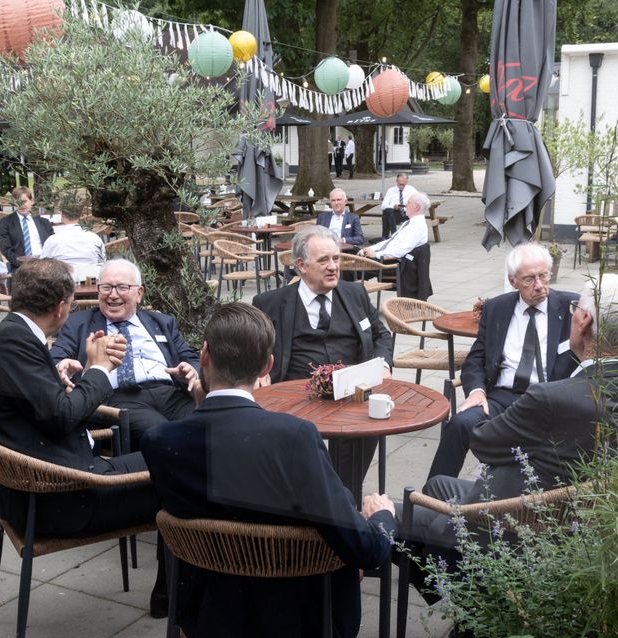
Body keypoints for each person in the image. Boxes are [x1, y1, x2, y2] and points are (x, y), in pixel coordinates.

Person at [141, 302, 397, 638]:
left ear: (204, 355)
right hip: (300, 619)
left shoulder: (159, 441)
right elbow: (367, 550)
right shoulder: (293, 436)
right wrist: (383, 516)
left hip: (208, 616)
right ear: (268, 365)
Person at [0, 258, 168, 617]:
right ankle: (172, 597)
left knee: (167, 452)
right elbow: (62, 418)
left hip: (35, 485)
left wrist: (69, 379)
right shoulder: (16, 343)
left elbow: (48, 409)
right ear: (61, 307)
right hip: (61, 498)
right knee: (175, 469)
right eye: (73, 303)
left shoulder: (8, 336)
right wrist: (100, 368)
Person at [405, 274, 618, 563]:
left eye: (575, 310)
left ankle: (444, 568)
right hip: (570, 524)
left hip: (509, 525)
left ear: (584, 321)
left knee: (382, 516)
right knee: (438, 485)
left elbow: (483, 444)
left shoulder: (551, 398)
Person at [252, 225, 393, 501]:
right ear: (301, 266)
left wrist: (384, 364)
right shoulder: (269, 303)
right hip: (295, 395)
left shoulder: (355, 294)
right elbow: (252, 343)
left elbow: (381, 335)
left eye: (336, 258)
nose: (333, 267)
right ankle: (318, 498)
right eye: (323, 260)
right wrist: (257, 370)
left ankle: (343, 496)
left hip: (352, 392)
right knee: (295, 437)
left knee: (367, 426)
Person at [426, 243, 580, 481]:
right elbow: (476, 358)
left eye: (543, 276)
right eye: (529, 279)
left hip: (550, 399)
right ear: (512, 280)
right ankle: (433, 494)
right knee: (460, 423)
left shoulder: (572, 308)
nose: (539, 285)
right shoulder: (497, 308)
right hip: (503, 397)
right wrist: (477, 391)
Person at [50, 259, 200, 450]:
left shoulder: (162, 322)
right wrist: (64, 365)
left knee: (206, 425)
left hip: (170, 395)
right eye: (106, 287)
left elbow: (191, 358)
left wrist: (191, 370)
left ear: (139, 293)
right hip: (118, 399)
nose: (113, 295)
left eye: (122, 287)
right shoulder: (78, 323)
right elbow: (56, 359)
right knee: (163, 435)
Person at [360, 191, 433, 300]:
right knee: (354, 259)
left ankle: (350, 299)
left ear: (417, 207)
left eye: (408, 203)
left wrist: (376, 254)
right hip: (388, 258)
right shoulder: (410, 223)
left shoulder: (417, 226)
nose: (405, 205)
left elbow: (400, 250)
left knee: (352, 270)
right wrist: (371, 248)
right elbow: (391, 241)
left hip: (395, 264)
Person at [0, 186, 54, 271]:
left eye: (24, 201)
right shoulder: (6, 223)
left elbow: (52, 244)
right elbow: (6, 249)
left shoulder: (44, 222)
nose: (22, 205)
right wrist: (22, 264)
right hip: (20, 268)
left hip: (44, 266)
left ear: (32, 201)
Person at [40, 206, 105, 266]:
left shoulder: (53, 240)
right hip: (91, 273)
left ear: (61, 214)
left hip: (62, 274)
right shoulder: (95, 238)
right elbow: (102, 263)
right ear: (80, 215)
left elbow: (43, 265)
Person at [379, 173, 417, 240]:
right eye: (400, 184)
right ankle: (393, 235)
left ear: (406, 182)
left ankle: (386, 237)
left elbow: (419, 201)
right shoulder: (391, 190)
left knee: (386, 216)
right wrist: (393, 206)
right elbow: (383, 206)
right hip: (394, 213)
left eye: (403, 184)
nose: (401, 185)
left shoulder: (412, 190)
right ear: (396, 181)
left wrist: (408, 206)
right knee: (388, 211)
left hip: (407, 214)